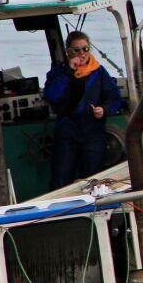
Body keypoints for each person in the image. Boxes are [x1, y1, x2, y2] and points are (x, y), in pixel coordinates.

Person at [42, 30, 122, 189]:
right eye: (76, 50)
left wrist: (104, 110)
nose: (82, 54)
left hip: (92, 129)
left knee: (92, 179)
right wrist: (68, 72)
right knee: (61, 179)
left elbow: (114, 98)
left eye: (85, 49)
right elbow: (52, 96)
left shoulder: (99, 72)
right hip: (67, 128)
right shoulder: (59, 72)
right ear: (68, 52)